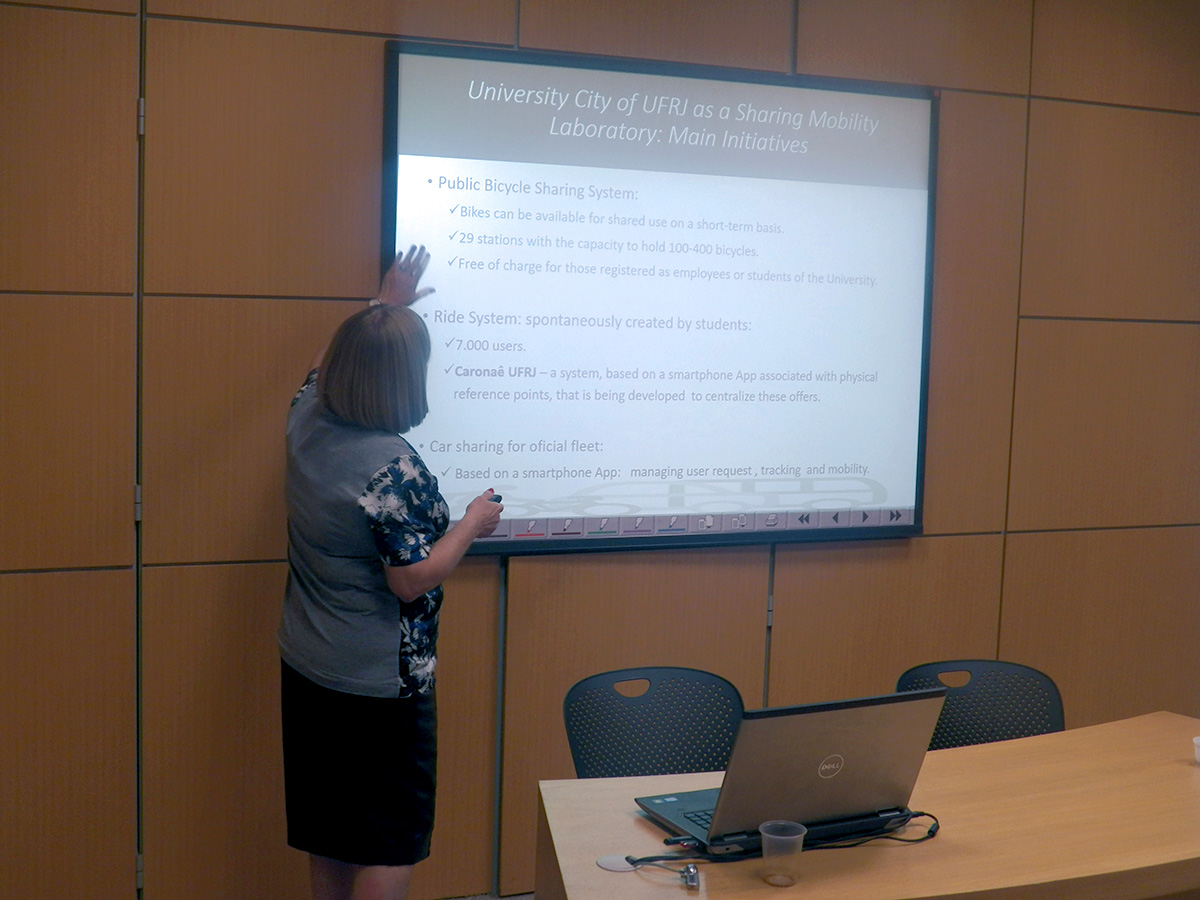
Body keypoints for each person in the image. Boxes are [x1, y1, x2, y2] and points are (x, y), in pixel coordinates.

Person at [278, 244, 502, 900]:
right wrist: (471, 523)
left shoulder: (307, 418)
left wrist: (382, 303)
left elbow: (320, 366)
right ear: (407, 380)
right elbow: (411, 578)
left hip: (308, 663)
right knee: (388, 841)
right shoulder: (391, 469)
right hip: (379, 680)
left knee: (331, 831)